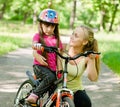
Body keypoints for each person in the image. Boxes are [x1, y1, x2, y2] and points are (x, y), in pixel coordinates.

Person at [26, 8, 63, 103]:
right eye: (46, 26)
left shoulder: (57, 40)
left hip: (52, 70)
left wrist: (60, 70)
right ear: (41, 24)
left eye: (52, 26)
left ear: (56, 27)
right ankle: (34, 95)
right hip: (39, 67)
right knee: (50, 77)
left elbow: (59, 57)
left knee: (55, 86)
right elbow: (34, 45)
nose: (49, 29)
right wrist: (37, 46)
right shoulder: (38, 36)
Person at [65, 25, 100, 107]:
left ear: (84, 42)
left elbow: (93, 78)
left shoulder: (86, 58)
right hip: (56, 89)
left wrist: (92, 59)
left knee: (85, 102)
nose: (71, 37)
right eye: (72, 34)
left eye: (76, 36)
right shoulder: (62, 48)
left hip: (75, 90)